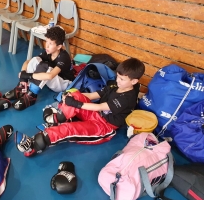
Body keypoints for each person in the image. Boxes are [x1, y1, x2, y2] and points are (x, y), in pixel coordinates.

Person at [15, 58, 145, 157]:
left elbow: (100, 106)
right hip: (95, 115)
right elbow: (94, 95)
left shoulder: (128, 98)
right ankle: (58, 118)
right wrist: (71, 96)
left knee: (69, 129)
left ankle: (32, 146)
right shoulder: (115, 86)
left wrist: (75, 104)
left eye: (122, 79)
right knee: (74, 93)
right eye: (117, 76)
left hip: (104, 127)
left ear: (134, 81)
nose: (117, 80)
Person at [3, 26, 75, 111]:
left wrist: (29, 75)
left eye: (50, 44)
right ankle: (22, 87)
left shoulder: (64, 57)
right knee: (35, 60)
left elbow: (50, 76)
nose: (46, 46)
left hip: (63, 84)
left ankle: (31, 96)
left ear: (59, 47)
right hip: (53, 80)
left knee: (45, 66)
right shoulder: (48, 52)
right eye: (46, 42)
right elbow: (28, 62)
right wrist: (23, 77)